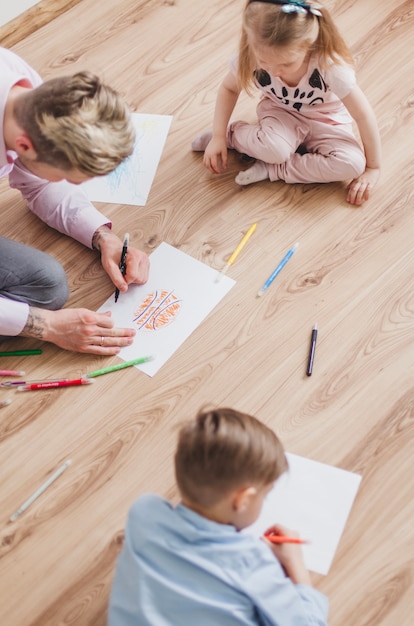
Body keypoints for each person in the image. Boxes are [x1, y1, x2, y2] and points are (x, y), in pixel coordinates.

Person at [108, 407, 328, 626]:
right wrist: (296, 565)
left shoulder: (144, 513)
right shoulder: (251, 562)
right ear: (243, 500)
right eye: (266, 495)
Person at [0, 46, 150, 354]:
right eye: (64, 176)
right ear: (23, 144)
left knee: (47, 284)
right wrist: (48, 327)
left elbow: (39, 185)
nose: (65, 184)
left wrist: (103, 237)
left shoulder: (24, 87)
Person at [192, 0, 382, 206]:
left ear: (309, 46)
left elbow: (363, 116)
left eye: (286, 64)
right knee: (275, 150)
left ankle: (274, 169)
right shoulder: (251, 55)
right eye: (264, 62)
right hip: (281, 112)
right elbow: (229, 88)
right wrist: (219, 136)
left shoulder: (331, 67)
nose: (273, 72)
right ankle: (232, 136)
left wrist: (373, 168)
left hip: (326, 121)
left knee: (352, 165)